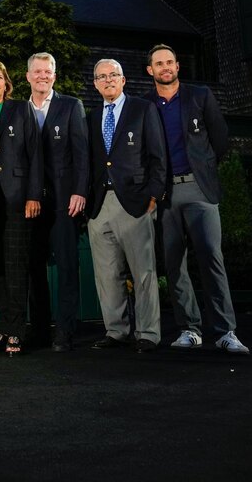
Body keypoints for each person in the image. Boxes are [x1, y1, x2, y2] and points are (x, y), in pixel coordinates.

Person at [145, 44, 249, 354]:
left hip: (199, 189)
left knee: (211, 258)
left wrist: (203, 169)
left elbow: (220, 139)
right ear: (150, 71)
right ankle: (189, 329)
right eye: (159, 64)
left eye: (170, 62)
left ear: (177, 66)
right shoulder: (147, 105)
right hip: (166, 193)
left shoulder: (199, 96)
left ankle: (225, 331)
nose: (165, 67)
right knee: (174, 264)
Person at [87, 59, 166, 353]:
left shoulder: (143, 110)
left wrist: (154, 196)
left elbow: (158, 156)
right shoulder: (92, 117)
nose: (108, 80)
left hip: (135, 203)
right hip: (99, 204)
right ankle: (116, 331)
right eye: (101, 77)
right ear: (95, 83)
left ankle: (148, 333)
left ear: (123, 80)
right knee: (107, 275)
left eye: (113, 75)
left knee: (143, 273)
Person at [0, 59, 42, 357]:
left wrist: (33, 195)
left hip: (17, 198)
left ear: (6, 82)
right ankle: (3, 326)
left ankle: (17, 330)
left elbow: (35, 154)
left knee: (16, 265)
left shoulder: (20, 109)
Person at [26, 52, 89, 351]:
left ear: (54, 75)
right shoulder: (19, 110)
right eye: (37, 71)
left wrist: (80, 191)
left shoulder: (70, 106)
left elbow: (82, 153)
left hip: (66, 199)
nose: (42, 76)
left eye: (48, 71)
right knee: (34, 267)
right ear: (27, 76)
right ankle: (39, 330)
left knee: (66, 265)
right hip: (32, 203)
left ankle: (65, 330)